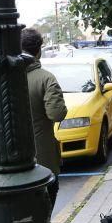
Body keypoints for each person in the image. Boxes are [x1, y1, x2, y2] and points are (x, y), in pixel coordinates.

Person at [21, 28, 69, 210]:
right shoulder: (46, 79)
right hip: (43, 159)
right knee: (43, 213)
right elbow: (56, 114)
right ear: (39, 50)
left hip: (11, 165)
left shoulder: (6, 78)